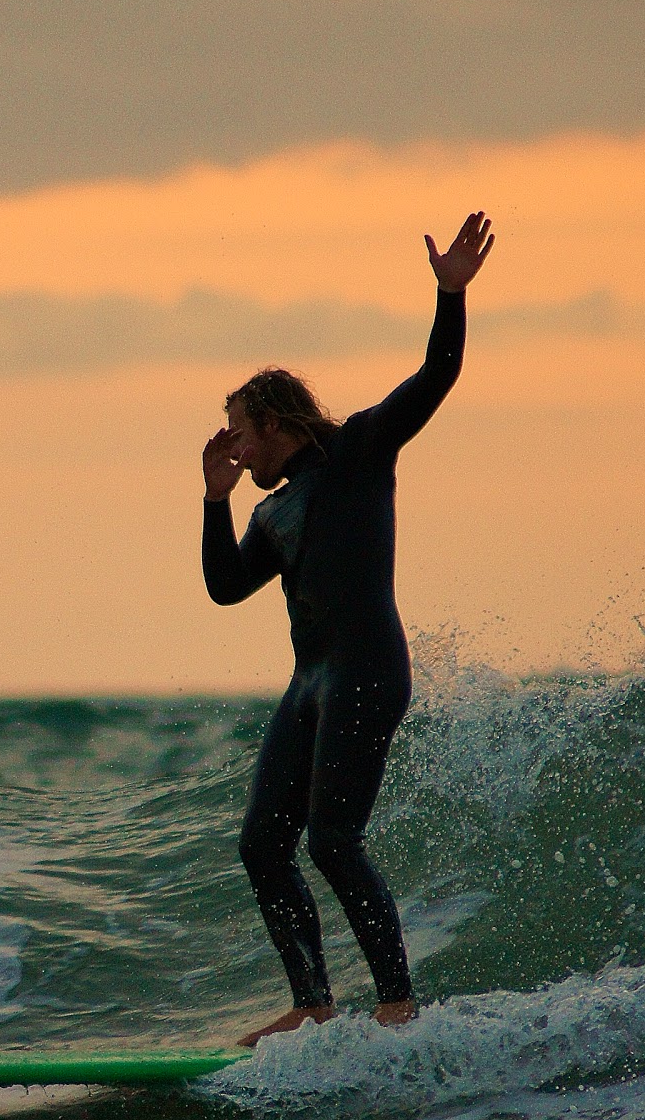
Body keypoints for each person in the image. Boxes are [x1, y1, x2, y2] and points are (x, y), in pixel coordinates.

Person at [202, 214, 494, 1045]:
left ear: (276, 422)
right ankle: (314, 1002)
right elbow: (225, 588)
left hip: (365, 669)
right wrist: (214, 500)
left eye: (239, 433)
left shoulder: (360, 451)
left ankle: (396, 1000)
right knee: (263, 844)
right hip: (308, 685)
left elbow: (436, 373)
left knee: (332, 839)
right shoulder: (271, 509)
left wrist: (449, 296)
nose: (235, 447)